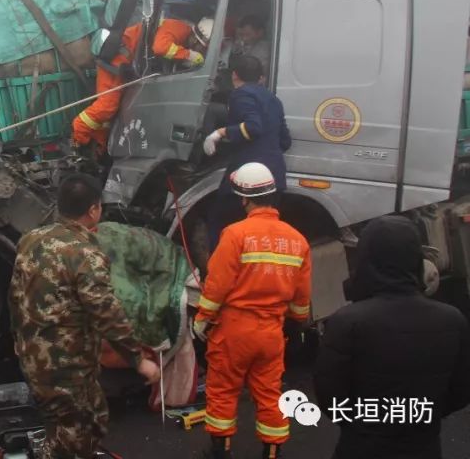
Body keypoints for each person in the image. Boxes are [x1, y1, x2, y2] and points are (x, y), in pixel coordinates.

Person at [9, 173, 161, 459]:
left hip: (34, 355)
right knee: (74, 435)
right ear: (93, 210)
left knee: (91, 419)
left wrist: (18, 338)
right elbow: (106, 311)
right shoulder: (85, 254)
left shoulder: (31, 239)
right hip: (66, 364)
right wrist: (137, 360)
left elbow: (15, 295)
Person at [314, 216, 470, 459]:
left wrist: (362, 424)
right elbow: (460, 390)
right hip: (423, 446)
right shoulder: (452, 319)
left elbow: (329, 394)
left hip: (360, 447)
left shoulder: (347, 321)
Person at [192, 162, 312, 459]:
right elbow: (301, 298)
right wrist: (295, 325)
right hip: (271, 332)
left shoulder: (235, 235)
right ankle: (271, 453)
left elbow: (216, 285)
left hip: (234, 330)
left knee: (222, 391)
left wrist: (202, 319)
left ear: (243, 198)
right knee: (270, 393)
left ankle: (221, 452)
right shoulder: (297, 241)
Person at [202, 54, 292, 252]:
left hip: (248, 177)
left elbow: (253, 127)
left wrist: (220, 133)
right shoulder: (273, 99)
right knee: (262, 233)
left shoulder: (241, 94)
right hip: (275, 176)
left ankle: (222, 270)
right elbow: (285, 140)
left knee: (219, 220)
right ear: (261, 77)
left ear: (234, 75)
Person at [72, 24, 142, 151]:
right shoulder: (175, 29)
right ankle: (79, 135)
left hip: (116, 61)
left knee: (108, 114)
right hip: (114, 63)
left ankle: (100, 146)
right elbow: (161, 47)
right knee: (107, 106)